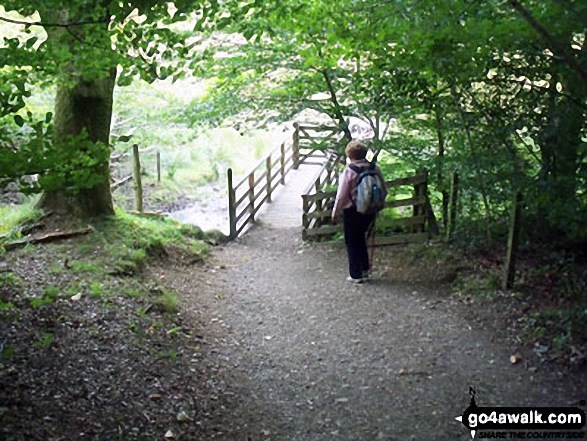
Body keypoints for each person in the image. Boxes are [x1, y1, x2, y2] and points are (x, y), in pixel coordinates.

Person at [332, 140, 388, 284]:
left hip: (352, 210)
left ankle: (355, 274)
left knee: (352, 241)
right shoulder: (375, 167)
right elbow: (384, 189)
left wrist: (335, 212)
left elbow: (341, 195)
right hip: (370, 209)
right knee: (361, 238)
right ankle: (365, 269)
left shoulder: (349, 171)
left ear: (350, 155)